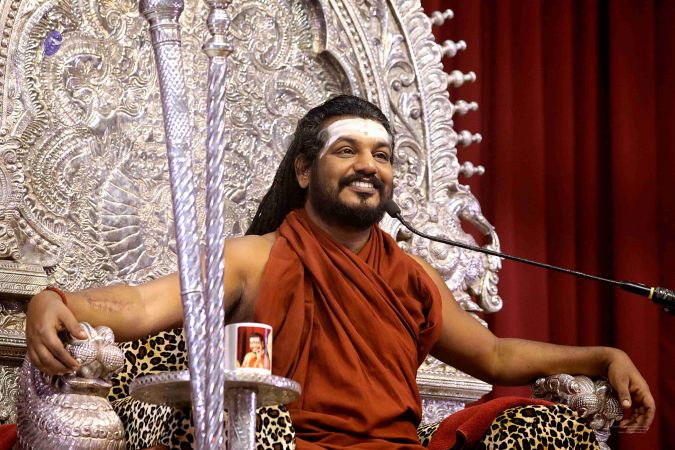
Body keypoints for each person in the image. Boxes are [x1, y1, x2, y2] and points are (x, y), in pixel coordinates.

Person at [26, 95, 654, 449]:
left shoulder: (411, 274)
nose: (368, 166)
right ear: (304, 171)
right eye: (347, 150)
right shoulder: (254, 257)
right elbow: (142, 306)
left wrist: (602, 356)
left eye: (382, 155)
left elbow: (493, 355)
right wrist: (57, 301)